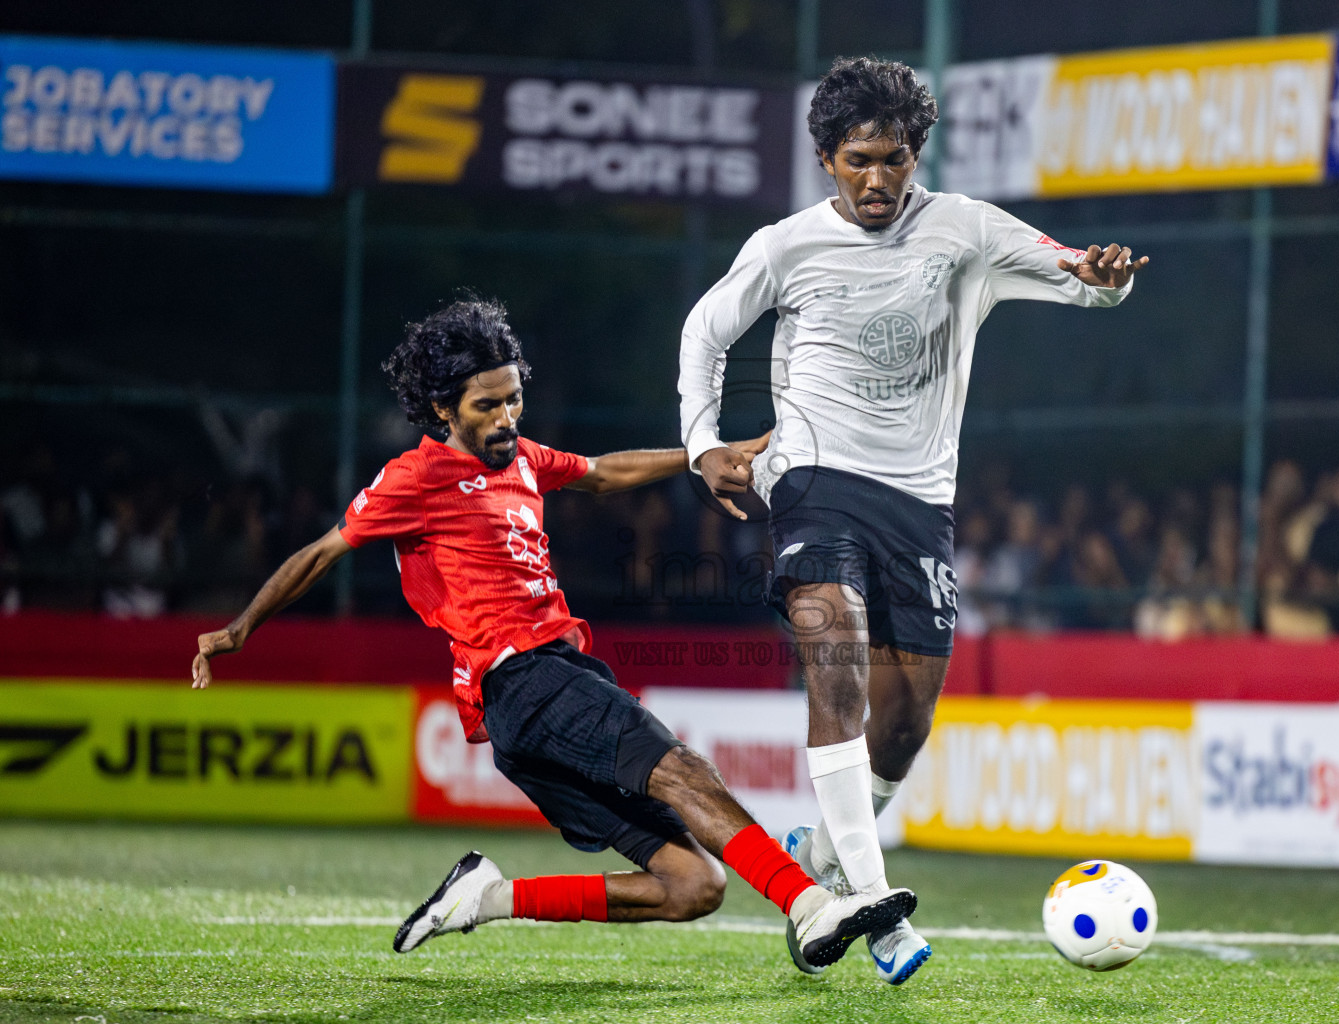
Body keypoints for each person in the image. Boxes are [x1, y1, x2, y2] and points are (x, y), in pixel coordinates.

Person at [191, 297, 914, 971]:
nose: (507, 415)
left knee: (691, 884)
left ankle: (488, 897)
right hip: (520, 679)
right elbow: (323, 551)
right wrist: (237, 630)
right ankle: (812, 904)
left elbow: (600, 473)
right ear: (444, 407)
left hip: (545, 697)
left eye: (513, 397)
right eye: (487, 404)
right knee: (683, 769)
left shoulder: (524, 458)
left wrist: (702, 457)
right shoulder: (416, 477)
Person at [677, 57, 1146, 984]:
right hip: (811, 477)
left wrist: (1106, 276)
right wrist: (702, 445)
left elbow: (1080, 279)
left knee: (904, 725)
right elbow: (705, 330)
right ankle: (872, 908)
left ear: (916, 153)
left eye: (894, 159)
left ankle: (829, 853)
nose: (878, 179)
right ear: (825, 159)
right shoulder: (785, 246)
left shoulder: (966, 229)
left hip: (920, 500)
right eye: (858, 161)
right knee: (837, 659)